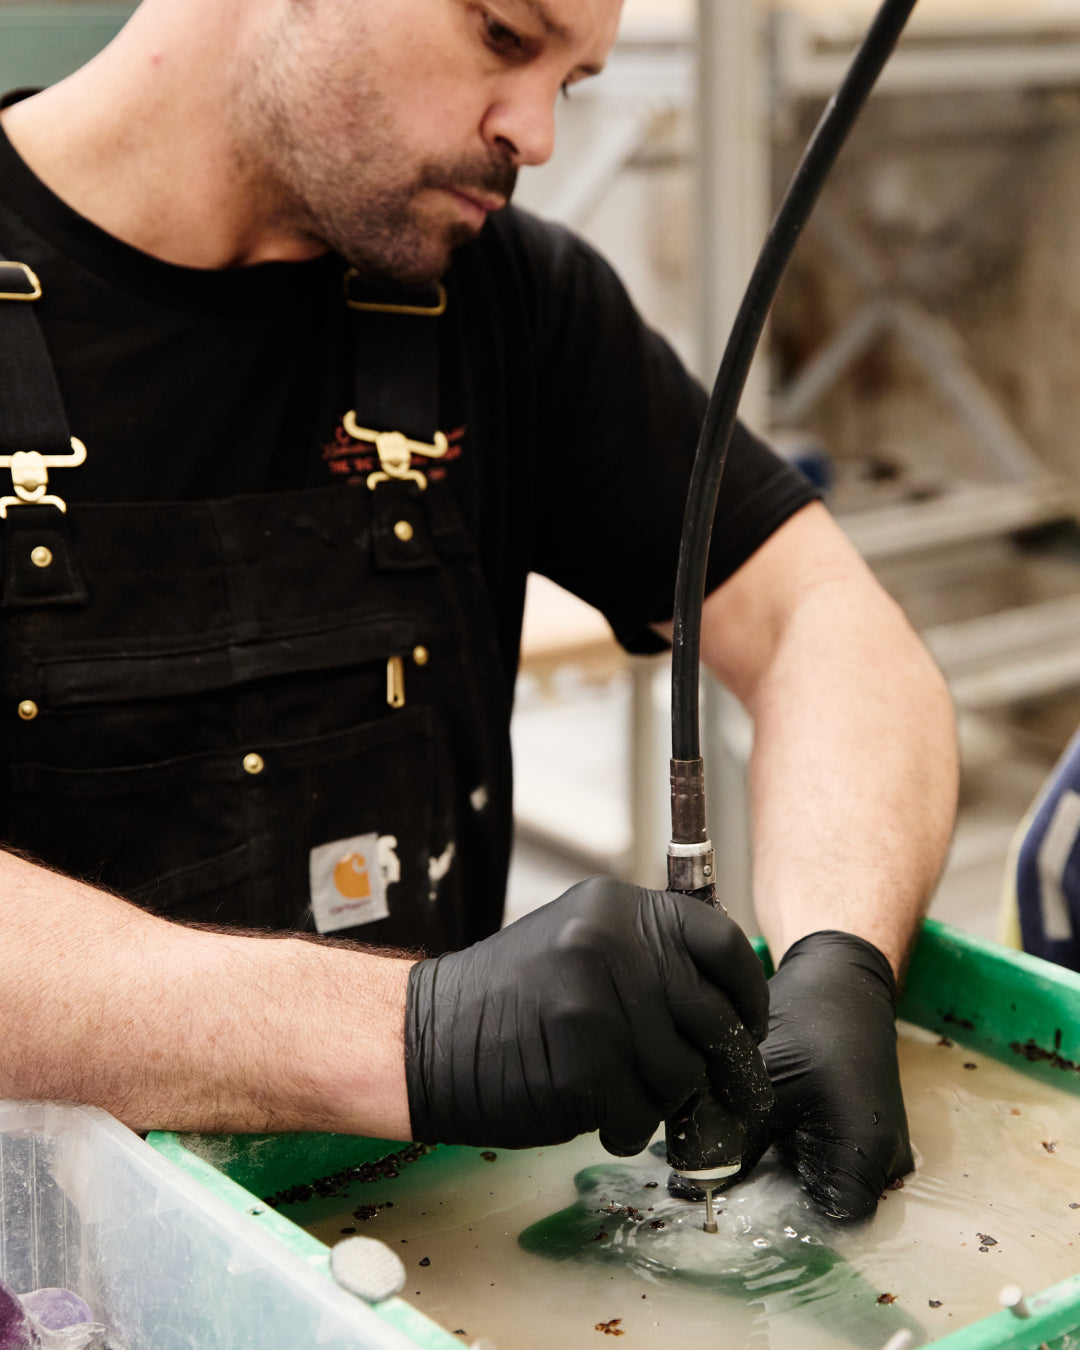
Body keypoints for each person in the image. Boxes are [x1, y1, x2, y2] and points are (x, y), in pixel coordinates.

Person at [0, 0, 957, 1221]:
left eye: (576, 78)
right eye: (505, 35)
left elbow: (818, 613)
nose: (539, 134)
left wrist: (840, 958)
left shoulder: (506, 302)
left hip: (411, 1251)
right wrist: (413, 1031)